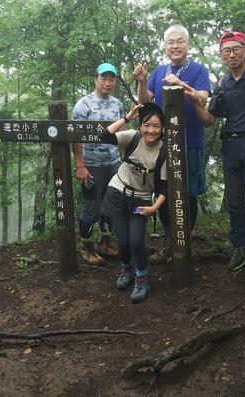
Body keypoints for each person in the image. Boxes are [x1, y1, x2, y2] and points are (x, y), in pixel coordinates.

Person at [183, 30, 245, 286]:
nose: (231, 54)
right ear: (221, 55)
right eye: (226, 51)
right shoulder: (223, 85)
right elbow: (209, 120)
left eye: (236, 49)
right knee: (236, 204)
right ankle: (240, 246)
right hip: (231, 150)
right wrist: (195, 100)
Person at [132, 24, 211, 263]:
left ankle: (184, 239)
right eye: (170, 42)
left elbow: (203, 98)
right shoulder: (159, 70)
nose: (175, 46)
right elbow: (145, 102)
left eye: (180, 41)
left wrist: (181, 85)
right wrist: (143, 81)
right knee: (163, 190)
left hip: (191, 142)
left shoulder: (199, 70)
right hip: (164, 144)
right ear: (165, 46)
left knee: (190, 193)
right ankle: (170, 240)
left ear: (188, 44)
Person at [99, 102, 167, 303]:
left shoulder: (164, 152)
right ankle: (126, 268)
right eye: (147, 125)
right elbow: (105, 136)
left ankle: (141, 278)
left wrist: (154, 207)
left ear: (162, 128)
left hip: (141, 198)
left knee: (136, 240)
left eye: (156, 126)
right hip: (117, 192)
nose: (151, 130)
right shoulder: (133, 137)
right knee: (122, 240)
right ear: (140, 127)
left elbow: (164, 188)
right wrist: (127, 117)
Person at [71, 62, 125, 265]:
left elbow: (121, 133)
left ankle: (105, 243)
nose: (108, 83)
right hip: (91, 164)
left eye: (112, 79)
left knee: (110, 205)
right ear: (95, 79)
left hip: (113, 163)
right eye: (104, 78)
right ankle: (87, 248)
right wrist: (80, 166)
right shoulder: (83, 105)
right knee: (91, 208)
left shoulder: (117, 104)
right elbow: (74, 137)